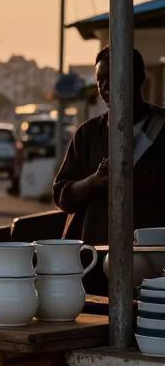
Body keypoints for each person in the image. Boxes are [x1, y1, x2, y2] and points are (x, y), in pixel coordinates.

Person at [53, 46, 165, 244]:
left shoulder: (161, 127)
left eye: (112, 78)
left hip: (152, 252)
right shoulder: (87, 133)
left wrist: (140, 178)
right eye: (100, 80)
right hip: (93, 256)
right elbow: (63, 196)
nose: (105, 86)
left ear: (138, 78)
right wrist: (94, 181)